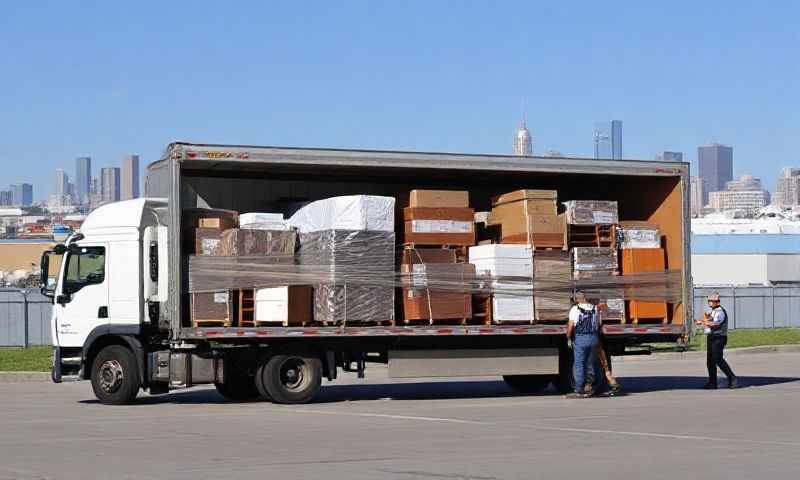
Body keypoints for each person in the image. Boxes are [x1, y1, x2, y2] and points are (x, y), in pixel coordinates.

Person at [695, 292, 738, 389]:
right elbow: (708, 319)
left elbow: (716, 324)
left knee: (718, 359)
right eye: (709, 301)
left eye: (712, 301)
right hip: (711, 337)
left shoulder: (721, 312)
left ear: (717, 302)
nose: (709, 303)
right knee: (710, 361)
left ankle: (732, 378)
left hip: (719, 337)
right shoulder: (712, 311)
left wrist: (705, 322)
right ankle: (712, 382)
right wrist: (700, 321)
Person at [565, 291, 601, 398]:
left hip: (581, 338)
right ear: (585, 298)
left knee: (579, 364)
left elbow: (571, 325)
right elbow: (598, 324)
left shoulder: (575, 309)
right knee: (591, 363)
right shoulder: (595, 308)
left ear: (577, 300)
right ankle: (591, 386)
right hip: (593, 338)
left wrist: (568, 336)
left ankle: (579, 388)